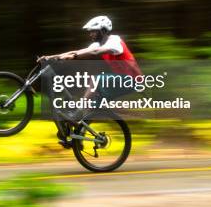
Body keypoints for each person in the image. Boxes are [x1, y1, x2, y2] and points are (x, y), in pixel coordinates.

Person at [37, 15, 141, 148]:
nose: (90, 34)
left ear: (103, 31)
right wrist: (51, 57)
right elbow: (78, 51)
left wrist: (73, 56)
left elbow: (96, 52)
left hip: (132, 80)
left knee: (96, 80)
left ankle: (77, 113)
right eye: (90, 31)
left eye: (93, 31)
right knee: (90, 107)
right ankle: (77, 139)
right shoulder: (98, 43)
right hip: (120, 80)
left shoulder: (115, 41)